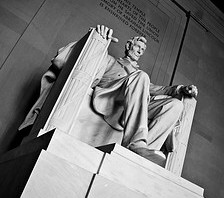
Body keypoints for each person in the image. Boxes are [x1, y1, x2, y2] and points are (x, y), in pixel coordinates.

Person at [92, 25, 198, 166]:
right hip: (113, 97)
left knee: (175, 105)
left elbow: (156, 89)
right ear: (129, 45)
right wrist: (97, 38)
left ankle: (143, 154)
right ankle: (135, 143)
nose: (140, 51)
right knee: (142, 76)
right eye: (138, 47)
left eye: (142, 50)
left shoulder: (141, 76)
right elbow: (88, 63)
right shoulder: (112, 61)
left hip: (135, 102)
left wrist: (180, 89)